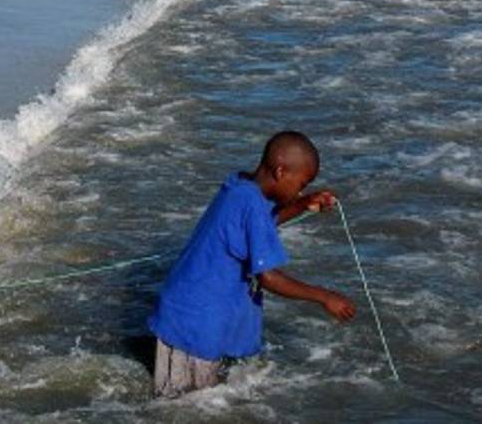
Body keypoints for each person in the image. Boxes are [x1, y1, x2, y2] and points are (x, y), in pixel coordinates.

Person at [148, 131, 355, 398]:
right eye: (301, 184)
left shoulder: (241, 187)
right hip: (193, 326)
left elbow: (257, 224)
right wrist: (325, 297)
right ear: (281, 171)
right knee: (179, 406)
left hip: (192, 315)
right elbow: (268, 277)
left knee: (200, 402)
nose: (300, 191)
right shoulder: (253, 206)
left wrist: (302, 205)